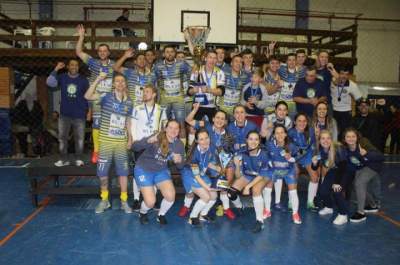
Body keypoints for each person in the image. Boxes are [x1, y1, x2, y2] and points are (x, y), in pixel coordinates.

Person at [84, 73, 133, 214]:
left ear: (125, 84)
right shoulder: (106, 97)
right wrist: (98, 79)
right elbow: (87, 96)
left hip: (121, 143)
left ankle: (124, 201)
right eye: (117, 81)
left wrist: (130, 138)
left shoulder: (129, 102)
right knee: (103, 173)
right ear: (113, 84)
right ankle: (104, 200)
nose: (120, 83)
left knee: (123, 173)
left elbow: (128, 122)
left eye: (122, 81)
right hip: (105, 142)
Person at [185, 103, 237, 220]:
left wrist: (223, 167)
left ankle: (226, 208)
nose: (219, 120)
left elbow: (227, 154)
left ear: (225, 122)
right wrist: (195, 109)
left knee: (225, 181)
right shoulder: (206, 126)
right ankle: (186, 206)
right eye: (217, 117)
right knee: (193, 182)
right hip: (203, 162)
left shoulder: (228, 135)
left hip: (216, 163)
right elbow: (188, 120)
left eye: (222, 119)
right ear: (213, 119)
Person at [132, 120, 185, 225]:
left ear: (179, 131)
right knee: (150, 202)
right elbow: (134, 147)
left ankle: (161, 214)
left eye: (176, 128)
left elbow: (181, 166)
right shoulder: (158, 137)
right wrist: (148, 141)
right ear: (165, 128)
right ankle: (142, 213)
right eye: (170, 127)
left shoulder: (179, 145)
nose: (173, 130)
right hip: (144, 169)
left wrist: (179, 161)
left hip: (161, 170)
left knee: (170, 196)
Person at [76, 24, 115, 164]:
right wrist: (81, 36)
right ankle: (97, 151)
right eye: (100, 51)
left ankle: (110, 151)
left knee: (112, 126)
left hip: (111, 100)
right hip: (97, 99)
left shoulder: (115, 65)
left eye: (105, 51)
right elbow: (79, 52)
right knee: (97, 125)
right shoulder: (93, 63)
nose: (103, 52)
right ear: (98, 53)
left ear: (109, 53)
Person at [130, 85, 168, 210]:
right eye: (143, 92)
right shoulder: (137, 108)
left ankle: (154, 197)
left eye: (147, 92)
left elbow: (164, 128)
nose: (144, 94)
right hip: (141, 144)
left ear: (154, 95)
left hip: (154, 145)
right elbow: (133, 126)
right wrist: (134, 142)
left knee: (154, 170)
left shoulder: (161, 109)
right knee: (138, 172)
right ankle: (136, 199)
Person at [46, 60, 89, 166]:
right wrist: (56, 68)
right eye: (72, 65)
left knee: (79, 138)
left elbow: (88, 96)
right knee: (62, 138)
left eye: (76, 65)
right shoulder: (63, 77)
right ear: (68, 67)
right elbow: (49, 83)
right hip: (65, 114)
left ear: (78, 67)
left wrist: (89, 112)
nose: (74, 67)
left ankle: (79, 159)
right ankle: (63, 159)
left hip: (79, 113)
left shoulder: (83, 80)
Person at [228, 131, 272, 232]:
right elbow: (238, 175)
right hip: (248, 175)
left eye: (256, 139)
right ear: (246, 140)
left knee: (256, 190)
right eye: (251, 139)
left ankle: (260, 221)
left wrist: (248, 187)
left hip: (262, 176)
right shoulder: (241, 152)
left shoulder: (264, 154)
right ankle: (240, 207)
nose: (253, 141)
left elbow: (261, 175)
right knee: (231, 193)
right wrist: (237, 165)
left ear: (259, 141)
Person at [341, 128, 383, 223]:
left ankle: (361, 212)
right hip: (360, 168)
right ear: (344, 138)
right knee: (355, 185)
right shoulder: (345, 149)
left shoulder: (363, 143)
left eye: (353, 136)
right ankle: (373, 205)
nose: (351, 139)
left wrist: (366, 154)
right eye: (348, 136)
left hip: (372, 166)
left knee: (359, 183)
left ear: (357, 137)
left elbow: (381, 156)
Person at [153, 45, 192, 144]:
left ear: (175, 53)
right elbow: (155, 80)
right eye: (167, 52)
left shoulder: (182, 64)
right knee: (163, 124)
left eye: (171, 51)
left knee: (181, 124)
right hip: (164, 98)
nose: (169, 54)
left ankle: (183, 150)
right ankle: (163, 148)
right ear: (163, 54)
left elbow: (191, 73)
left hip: (178, 98)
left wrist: (185, 87)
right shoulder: (158, 66)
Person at [265, 125, 302, 224]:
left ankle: (295, 214)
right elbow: (265, 155)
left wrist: (291, 158)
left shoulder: (291, 145)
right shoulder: (269, 144)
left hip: (288, 170)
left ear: (285, 134)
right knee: (267, 188)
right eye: (277, 133)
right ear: (274, 135)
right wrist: (269, 163)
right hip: (274, 170)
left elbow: (299, 155)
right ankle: (267, 210)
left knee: (293, 191)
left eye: (282, 132)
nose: (280, 135)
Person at [312, 130, 350, 225]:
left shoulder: (338, 148)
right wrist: (314, 163)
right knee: (323, 191)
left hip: (345, 171)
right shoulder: (319, 150)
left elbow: (343, 166)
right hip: (333, 171)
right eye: (323, 138)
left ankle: (343, 214)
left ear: (331, 139)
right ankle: (329, 207)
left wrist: (337, 182)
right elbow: (315, 167)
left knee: (337, 191)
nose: (325, 141)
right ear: (319, 140)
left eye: (328, 138)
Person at [187, 129, 220, 226]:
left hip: (201, 173)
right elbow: (196, 176)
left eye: (206, 138)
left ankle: (203, 214)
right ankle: (192, 217)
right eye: (201, 139)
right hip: (190, 175)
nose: (205, 141)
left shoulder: (211, 147)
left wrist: (217, 168)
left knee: (214, 196)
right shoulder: (193, 155)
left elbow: (206, 161)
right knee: (206, 196)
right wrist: (207, 188)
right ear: (197, 141)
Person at [288, 112, 319, 210]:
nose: (302, 123)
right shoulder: (290, 132)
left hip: (307, 155)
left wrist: (314, 157)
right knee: (294, 173)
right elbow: (290, 149)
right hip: (295, 156)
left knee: (315, 175)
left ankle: (310, 202)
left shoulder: (311, 131)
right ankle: (291, 201)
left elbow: (314, 146)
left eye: (304, 121)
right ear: (295, 122)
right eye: (299, 121)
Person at [188, 50, 225, 121]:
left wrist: (208, 90)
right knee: (196, 130)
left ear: (217, 60)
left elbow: (221, 92)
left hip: (213, 107)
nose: (212, 60)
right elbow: (189, 92)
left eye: (215, 58)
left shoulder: (220, 72)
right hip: (198, 107)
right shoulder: (196, 70)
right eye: (210, 57)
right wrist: (193, 90)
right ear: (205, 58)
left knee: (212, 130)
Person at [329, 66, 362, 137]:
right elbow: (335, 83)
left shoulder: (352, 85)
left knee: (345, 133)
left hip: (346, 112)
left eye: (346, 74)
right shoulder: (332, 81)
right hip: (333, 111)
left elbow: (359, 100)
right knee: (333, 132)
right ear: (337, 73)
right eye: (342, 73)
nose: (344, 76)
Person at [12, 93, 44, 157]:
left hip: (34, 125)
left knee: (35, 135)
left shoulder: (36, 104)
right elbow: (17, 115)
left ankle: (37, 152)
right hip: (25, 125)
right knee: (22, 134)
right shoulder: (22, 104)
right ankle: (25, 152)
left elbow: (40, 115)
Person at [278, 53, 306, 117]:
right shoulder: (281, 69)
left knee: (292, 122)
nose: (291, 62)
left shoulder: (301, 72)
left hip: (294, 104)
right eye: (289, 60)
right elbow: (270, 66)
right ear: (286, 61)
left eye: (293, 60)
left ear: (296, 61)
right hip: (282, 103)